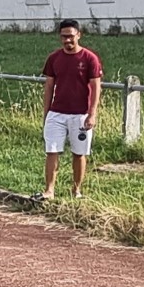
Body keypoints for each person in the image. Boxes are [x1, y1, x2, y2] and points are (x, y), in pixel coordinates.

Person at [37, 19, 103, 200]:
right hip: (57, 113)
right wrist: (46, 113)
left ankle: (76, 190)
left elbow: (96, 87)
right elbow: (49, 86)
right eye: (64, 37)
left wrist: (92, 114)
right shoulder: (54, 58)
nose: (67, 40)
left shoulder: (90, 58)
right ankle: (49, 190)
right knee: (52, 150)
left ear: (78, 35)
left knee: (79, 153)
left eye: (71, 36)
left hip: (80, 115)